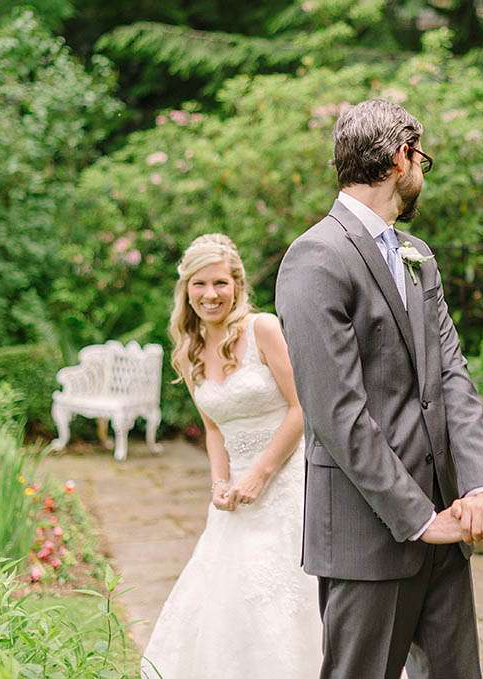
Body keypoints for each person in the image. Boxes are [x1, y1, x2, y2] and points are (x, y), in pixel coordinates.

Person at [275, 98, 483, 679]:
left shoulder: (418, 257)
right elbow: (338, 415)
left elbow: (452, 378)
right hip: (369, 535)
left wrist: (482, 486)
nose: (420, 174)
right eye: (421, 160)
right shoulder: (316, 259)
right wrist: (418, 518)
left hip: (448, 525)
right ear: (399, 158)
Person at [141, 233, 323, 679]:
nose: (210, 295)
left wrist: (260, 475)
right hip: (234, 497)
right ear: (186, 289)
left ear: (237, 285)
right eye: (199, 285)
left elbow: (302, 408)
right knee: (225, 598)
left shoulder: (263, 330)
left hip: (286, 485)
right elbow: (213, 429)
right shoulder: (188, 349)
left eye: (220, 283)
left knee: (282, 595)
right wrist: (220, 484)